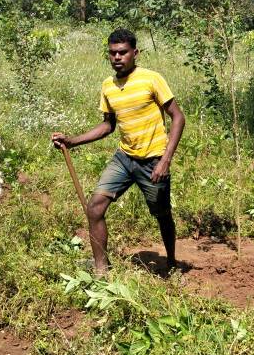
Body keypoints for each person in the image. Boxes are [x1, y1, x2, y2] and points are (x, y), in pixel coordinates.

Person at [51, 29, 186, 276]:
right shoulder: (108, 86)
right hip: (124, 159)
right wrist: (72, 141)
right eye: (112, 53)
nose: (117, 57)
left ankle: (171, 262)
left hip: (153, 160)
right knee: (95, 208)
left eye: (122, 52)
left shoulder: (151, 79)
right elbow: (108, 125)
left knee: (162, 214)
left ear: (135, 53)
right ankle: (102, 270)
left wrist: (165, 160)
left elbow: (178, 117)